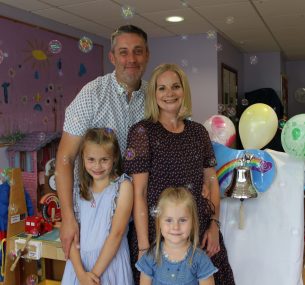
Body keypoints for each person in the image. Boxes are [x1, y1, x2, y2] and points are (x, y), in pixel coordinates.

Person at [124, 63, 235, 285]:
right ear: (153, 94)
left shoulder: (198, 132)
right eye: (161, 88)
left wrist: (214, 225)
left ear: (184, 91)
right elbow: (139, 193)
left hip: (197, 231)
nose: (169, 93)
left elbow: (212, 182)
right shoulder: (142, 132)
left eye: (175, 86)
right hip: (157, 234)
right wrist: (145, 246)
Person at [55, 24, 149, 259]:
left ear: (147, 55)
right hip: (92, 211)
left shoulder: (153, 97)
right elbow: (65, 158)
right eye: (123, 52)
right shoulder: (92, 94)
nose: (131, 59)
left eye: (138, 51)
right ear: (112, 57)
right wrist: (67, 218)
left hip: (137, 211)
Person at [61, 128, 134, 285]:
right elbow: (71, 232)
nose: (97, 166)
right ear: (83, 158)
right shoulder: (78, 190)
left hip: (109, 264)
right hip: (79, 268)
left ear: (114, 158)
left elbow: (117, 233)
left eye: (104, 160)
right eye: (91, 159)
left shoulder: (123, 186)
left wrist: (93, 276)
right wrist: (81, 275)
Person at [136, 186, 217, 285]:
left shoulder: (200, 260)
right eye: (169, 220)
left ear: (193, 222)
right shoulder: (151, 257)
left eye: (182, 220)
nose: (175, 227)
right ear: (159, 223)